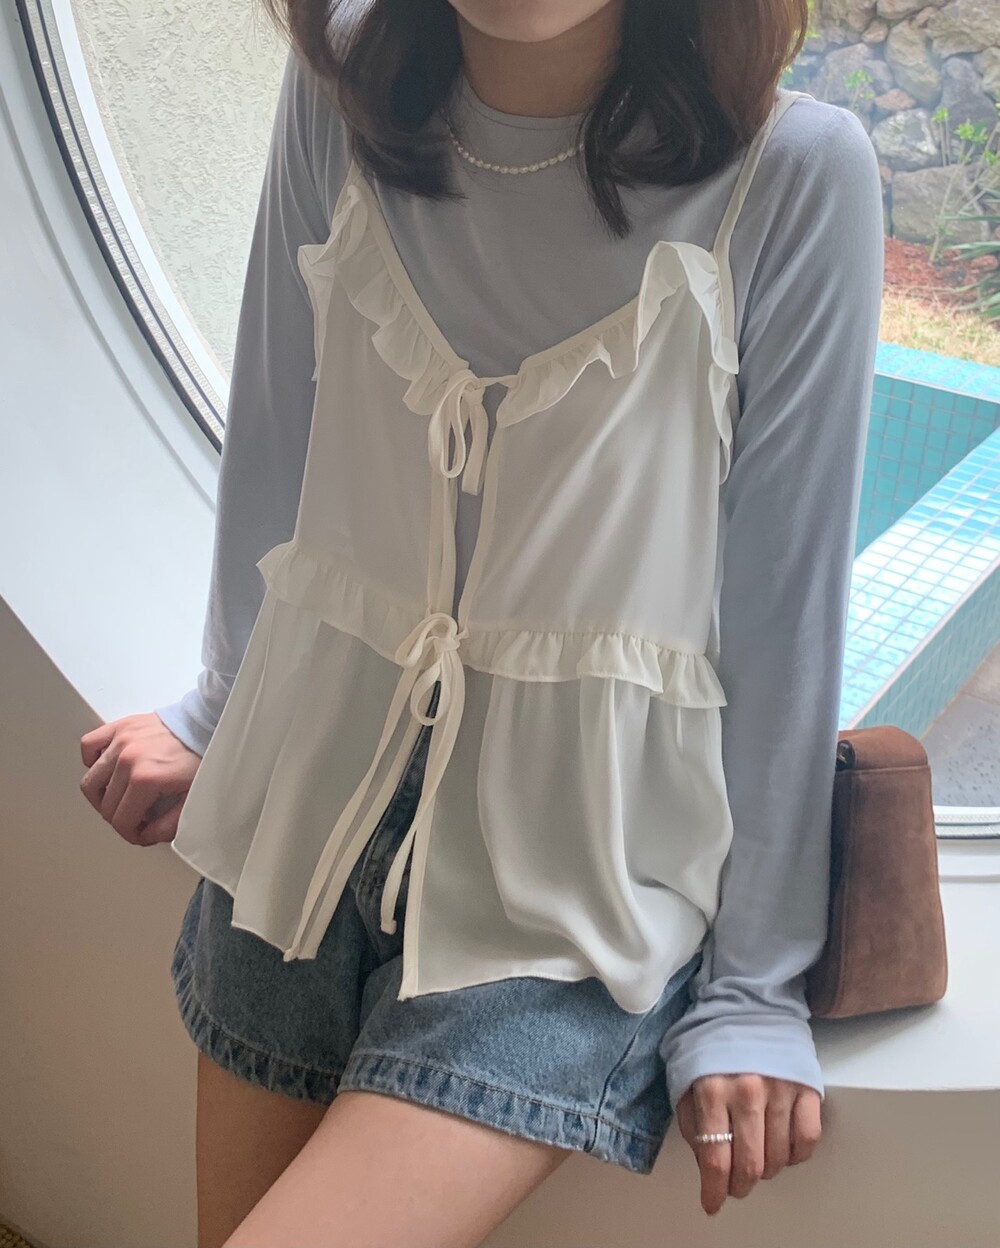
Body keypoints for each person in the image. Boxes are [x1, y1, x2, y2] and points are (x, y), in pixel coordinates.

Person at [78, 1, 884, 1244]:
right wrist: (218, 711)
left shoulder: (794, 174)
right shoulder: (341, 89)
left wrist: (751, 987)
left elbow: (784, 612)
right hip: (300, 815)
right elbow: (276, 442)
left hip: (569, 893)